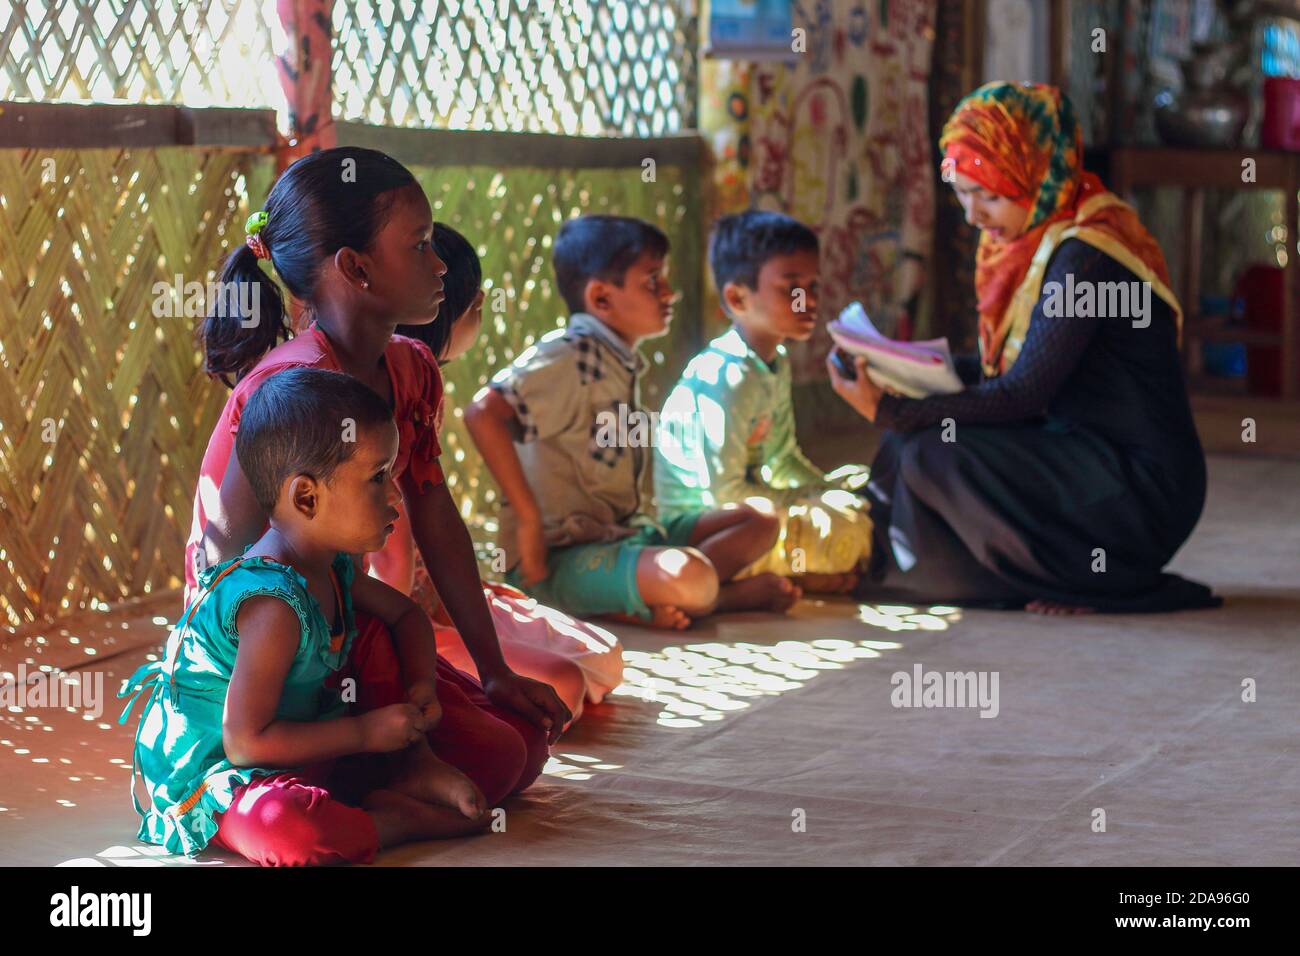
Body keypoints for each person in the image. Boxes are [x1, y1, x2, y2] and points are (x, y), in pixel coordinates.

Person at [188, 147, 569, 808]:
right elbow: (227, 560)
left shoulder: (410, 367)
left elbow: (434, 510)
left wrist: (495, 668)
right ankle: (361, 768)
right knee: (493, 759)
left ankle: (370, 763)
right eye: (420, 245)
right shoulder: (295, 386)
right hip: (271, 640)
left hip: (344, 612)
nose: (441, 263)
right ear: (356, 268)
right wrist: (338, 641)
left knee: (518, 748)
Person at [827, 82, 1218, 613]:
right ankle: (896, 561)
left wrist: (893, 408)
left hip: (1137, 485)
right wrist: (898, 368)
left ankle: (1092, 577)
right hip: (1075, 451)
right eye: (962, 193)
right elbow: (1005, 371)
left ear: (1037, 174)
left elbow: (1024, 393)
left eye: (988, 195)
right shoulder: (1031, 239)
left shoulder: (1087, 256)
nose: (973, 216)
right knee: (907, 447)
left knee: (931, 451)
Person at [121, 370, 491, 865]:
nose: (396, 496)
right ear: (306, 498)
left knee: (379, 637)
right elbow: (245, 742)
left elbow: (405, 617)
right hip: (223, 772)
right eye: (378, 477)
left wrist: (421, 688)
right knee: (290, 828)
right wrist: (365, 734)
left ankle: (409, 769)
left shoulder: (330, 567)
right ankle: (397, 821)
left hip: (300, 739)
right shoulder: (271, 605)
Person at [466, 214, 799, 630]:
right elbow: (483, 413)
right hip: (559, 559)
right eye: (652, 281)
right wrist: (529, 521)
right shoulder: (570, 355)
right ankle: (701, 596)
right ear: (601, 298)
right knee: (687, 574)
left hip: (625, 539)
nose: (669, 293)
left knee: (761, 519)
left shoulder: (617, 359)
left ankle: (680, 595)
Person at [383, 223, 623, 721]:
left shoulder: (419, 381)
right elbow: (391, 573)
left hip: (435, 599)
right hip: (399, 617)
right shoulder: (384, 398)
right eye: (476, 304)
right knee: (565, 681)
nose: (484, 307)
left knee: (603, 655)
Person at [654, 210, 872, 594]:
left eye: (814, 287)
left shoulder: (775, 362)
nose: (808, 301)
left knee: (860, 484)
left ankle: (801, 571)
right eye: (792, 289)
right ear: (738, 297)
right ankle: (741, 577)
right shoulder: (729, 376)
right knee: (841, 525)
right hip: (706, 528)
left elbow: (782, 459)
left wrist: (821, 489)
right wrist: (810, 500)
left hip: (751, 508)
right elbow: (724, 494)